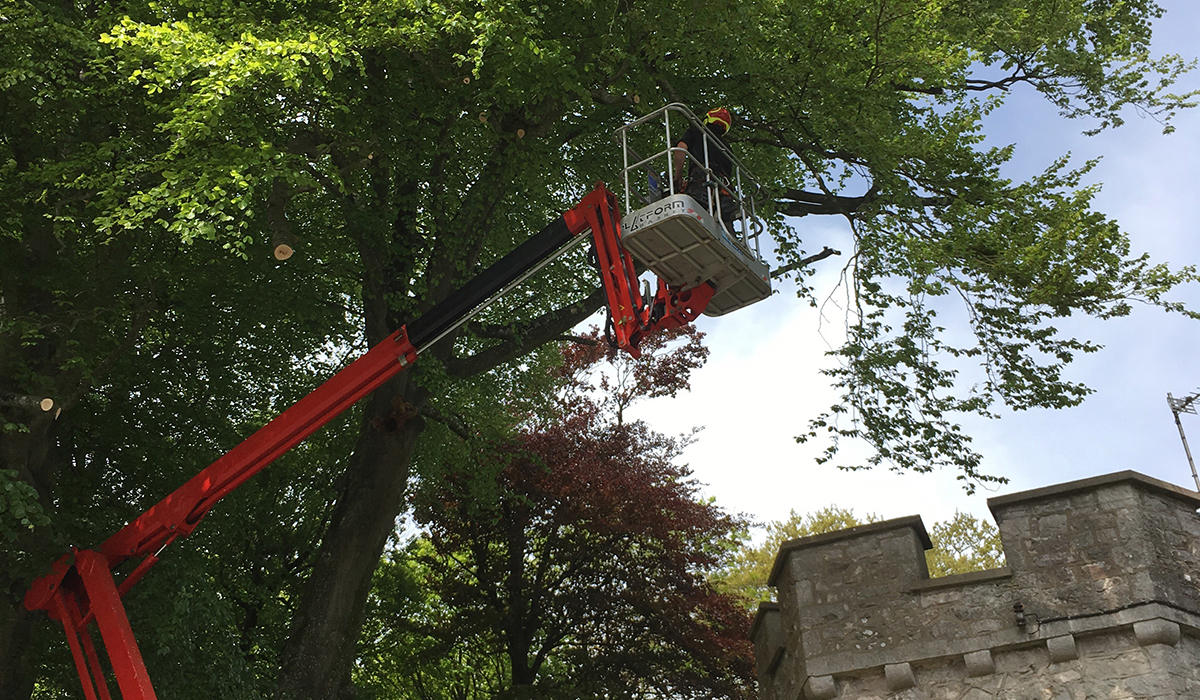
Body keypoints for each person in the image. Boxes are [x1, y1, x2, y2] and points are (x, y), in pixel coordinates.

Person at [672, 107, 737, 226]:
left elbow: (680, 151)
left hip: (700, 184)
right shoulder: (728, 148)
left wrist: (678, 178)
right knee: (724, 231)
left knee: (689, 224)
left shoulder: (696, 132)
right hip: (724, 194)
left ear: (708, 119)